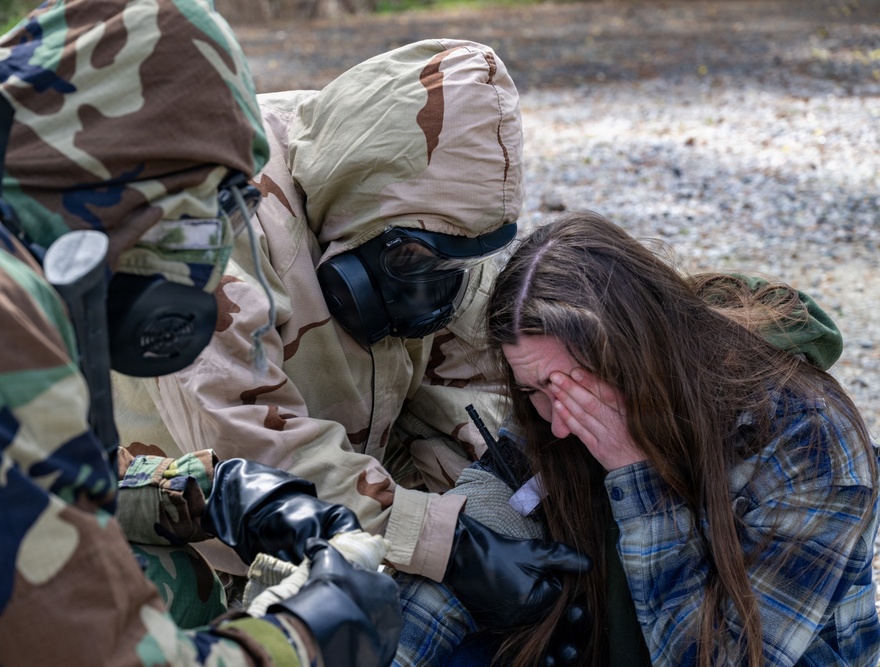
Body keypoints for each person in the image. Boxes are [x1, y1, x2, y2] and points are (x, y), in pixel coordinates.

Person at [0, 0, 402, 665]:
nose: (210, 282)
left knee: (180, 578)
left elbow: (17, 473)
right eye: (201, 214)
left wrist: (205, 494)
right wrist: (312, 636)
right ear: (119, 177)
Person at [111, 37, 591, 628]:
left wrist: (501, 518)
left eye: (456, 265)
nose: (434, 294)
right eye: (417, 262)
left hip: (339, 476)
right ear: (350, 214)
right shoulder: (208, 219)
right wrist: (451, 548)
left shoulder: (439, 206)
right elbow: (247, 454)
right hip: (176, 510)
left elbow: (478, 392)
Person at [475, 210, 880, 666]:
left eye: (575, 388)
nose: (559, 425)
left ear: (638, 350)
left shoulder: (810, 445)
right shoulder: (562, 390)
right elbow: (488, 508)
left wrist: (634, 474)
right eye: (533, 391)